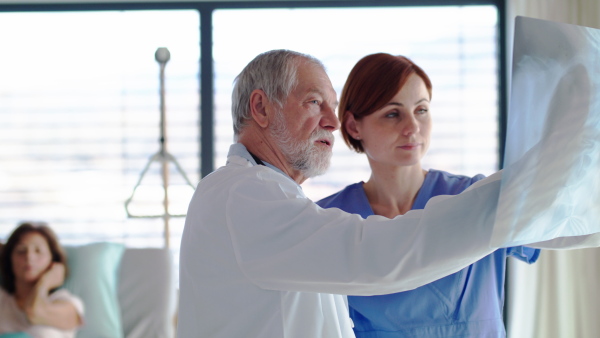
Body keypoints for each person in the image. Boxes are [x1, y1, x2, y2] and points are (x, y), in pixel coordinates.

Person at [177, 49, 599, 338]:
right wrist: (546, 162)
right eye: (313, 103)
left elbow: (557, 223)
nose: (331, 121)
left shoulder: (279, 203)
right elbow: (376, 254)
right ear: (261, 108)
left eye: (421, 110)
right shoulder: (246, 196)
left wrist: (566, 168)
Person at [316, 53, 539, 338]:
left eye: (421, 110)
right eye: (393, 114)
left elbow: (559, 219)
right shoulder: (327, 220)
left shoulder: (476, 198)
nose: (413, 128)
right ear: (352, 126)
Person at [0, 222, 84, 338]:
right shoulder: (3, 300)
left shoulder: (67, 303)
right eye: (21, 250)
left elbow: (33, 312)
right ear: (9, 259)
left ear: (52, 260)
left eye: (38, 251)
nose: (29, 257)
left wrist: (45, 283)